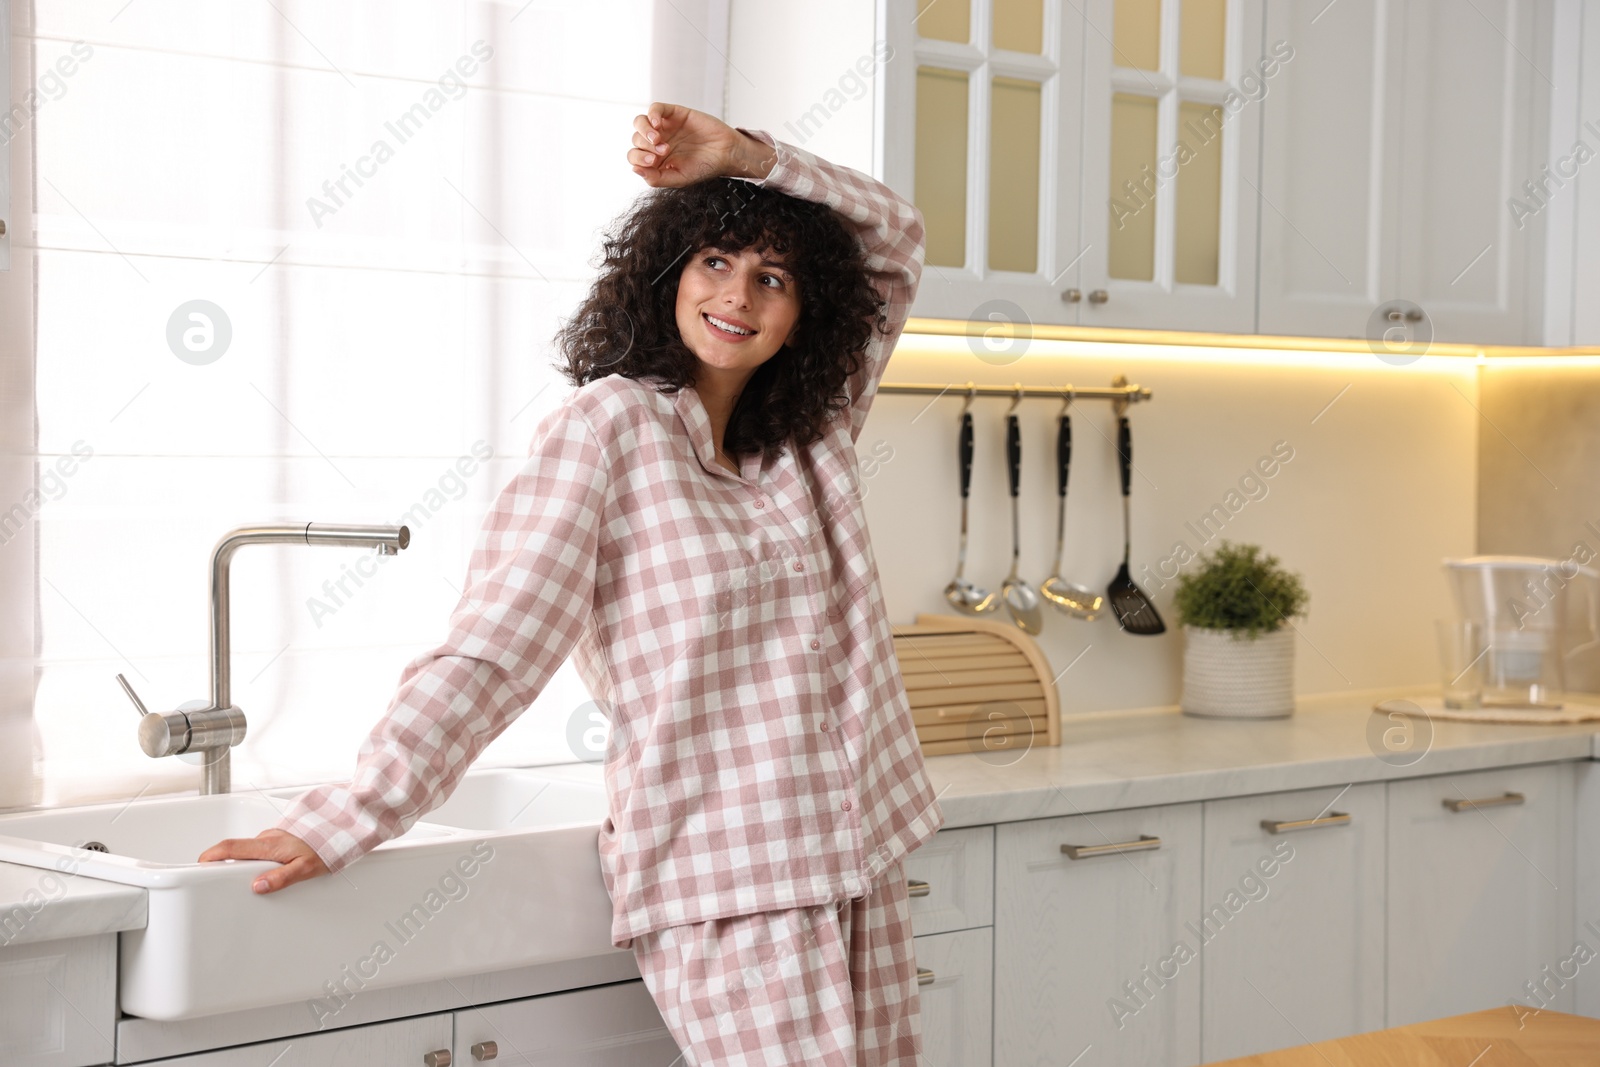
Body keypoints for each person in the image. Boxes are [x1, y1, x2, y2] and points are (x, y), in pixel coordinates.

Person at [198, 101, 943, 1065]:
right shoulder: (607, 430)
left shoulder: (814, 430)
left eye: (774, 278)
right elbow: (495, 646)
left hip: (861, 846)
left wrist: (746, 157)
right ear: (669, 274)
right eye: (716, 262)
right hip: (732, 872)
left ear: (807, 313)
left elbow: (894, 239)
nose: (741, 297)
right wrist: (354, 811)